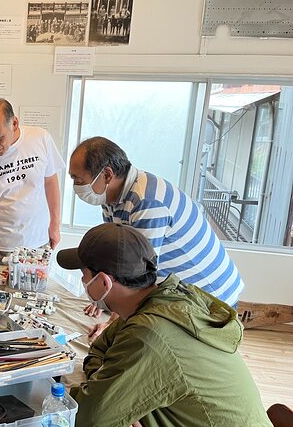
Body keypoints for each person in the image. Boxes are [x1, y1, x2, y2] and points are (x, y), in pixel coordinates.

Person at [57, 223, 270, 427]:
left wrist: (107, 393)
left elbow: (85, 418)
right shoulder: (165, 300)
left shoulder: (149, 332)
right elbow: (100, 347)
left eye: (84, 276)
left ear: (104, 282)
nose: (83, 282)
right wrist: (105, 385)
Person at [68, 136, 244, 342]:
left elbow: (134, 275)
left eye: (78, 180)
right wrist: (103, 296)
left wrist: (111, 325)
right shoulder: (111, 199)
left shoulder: (148, 202)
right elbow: (113, 255)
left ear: (107, 174)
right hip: (181, 293)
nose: (76, 186)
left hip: (210, 297)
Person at [0, 98, 65, 265]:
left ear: (14, 123)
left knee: (35, 290)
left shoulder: (40, 138)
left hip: (36, 242)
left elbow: (50, 182)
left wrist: (55, 225)